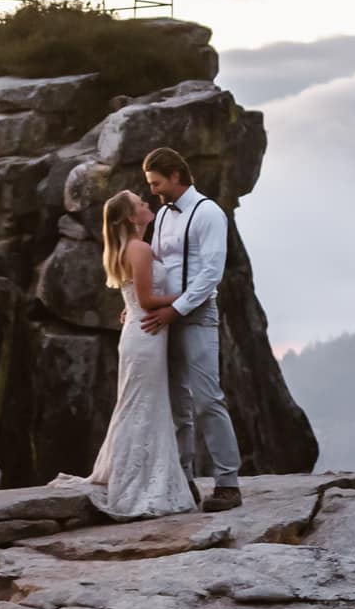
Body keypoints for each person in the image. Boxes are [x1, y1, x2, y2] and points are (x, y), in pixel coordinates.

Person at [139, 146, 243, 513]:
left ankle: (228, 484)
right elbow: (153, 263)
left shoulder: (209, 213)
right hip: (165, 315)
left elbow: (211, 273)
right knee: (175, 403)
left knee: (207, 399)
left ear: (176, 176)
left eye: (156, 183)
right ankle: (184, 483)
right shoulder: (164, 216)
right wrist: (139, 305)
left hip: (197, 316)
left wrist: (175, 309)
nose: (153, 190)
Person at [83, 190, 199, 519]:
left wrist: (131, 309)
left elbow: (134, 297)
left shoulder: (129, 249)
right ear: (132, 218)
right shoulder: (140, 248)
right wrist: (189, 296)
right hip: (146, 337)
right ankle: (135, 479)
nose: (148, 205)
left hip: (139, 333)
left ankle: (130, 472)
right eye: (141, 204)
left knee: (138, 404)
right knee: (142, 405)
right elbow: (147, 300)